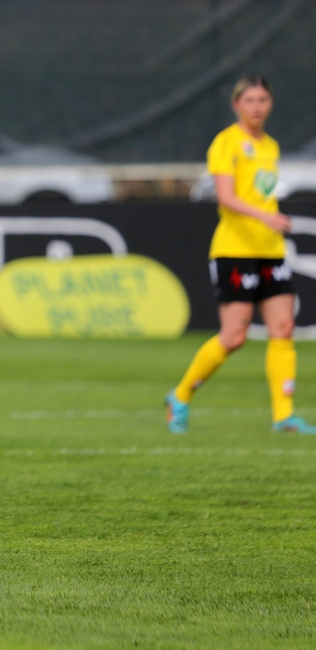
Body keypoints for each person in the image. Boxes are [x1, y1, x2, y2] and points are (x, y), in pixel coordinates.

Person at [165, 73, 315, 435]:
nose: (257, 107)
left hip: (270, 250)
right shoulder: (227, 143)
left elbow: (261, 191)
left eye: (263, 100)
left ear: (270, 104)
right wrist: (266, 215)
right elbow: (226, 197)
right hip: (235, 250)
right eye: (250, 101)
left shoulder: (270, 147)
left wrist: (270, 221)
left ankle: (283, 415)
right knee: (234, 336)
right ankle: (180, 396)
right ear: (236, 105)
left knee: (283, 327)